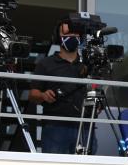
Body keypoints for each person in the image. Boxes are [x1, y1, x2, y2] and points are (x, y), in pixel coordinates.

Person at [28, 18, 86, 154]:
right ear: (57, 37)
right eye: (66, 34)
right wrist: (43, 95)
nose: (71, 37)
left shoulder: (88, 65)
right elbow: (32, 94)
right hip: (55, 127)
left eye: (74, 34)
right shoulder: (45, 64)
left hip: (85, 127)